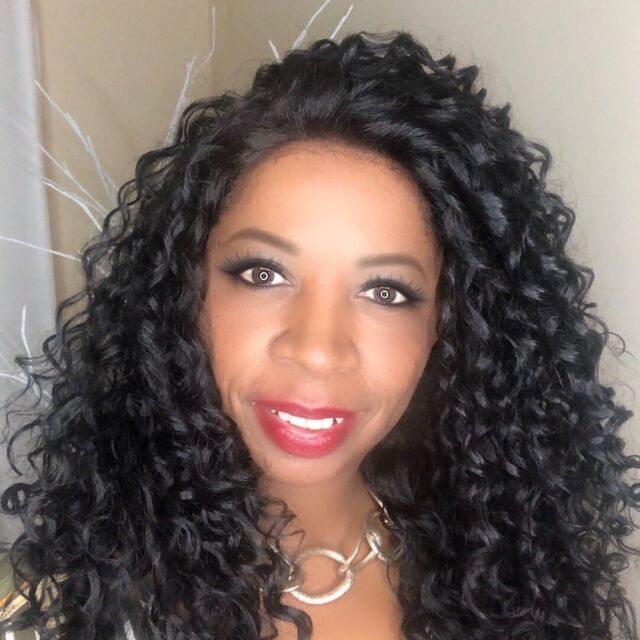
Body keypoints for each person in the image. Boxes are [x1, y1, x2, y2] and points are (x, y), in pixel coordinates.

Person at [0, 28, 638, 640]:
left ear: (452, 329)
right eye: (263, 273)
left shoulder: (516, 583)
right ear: (184, 294)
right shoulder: (64, 610)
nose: (316, 348)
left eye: (386, 292)